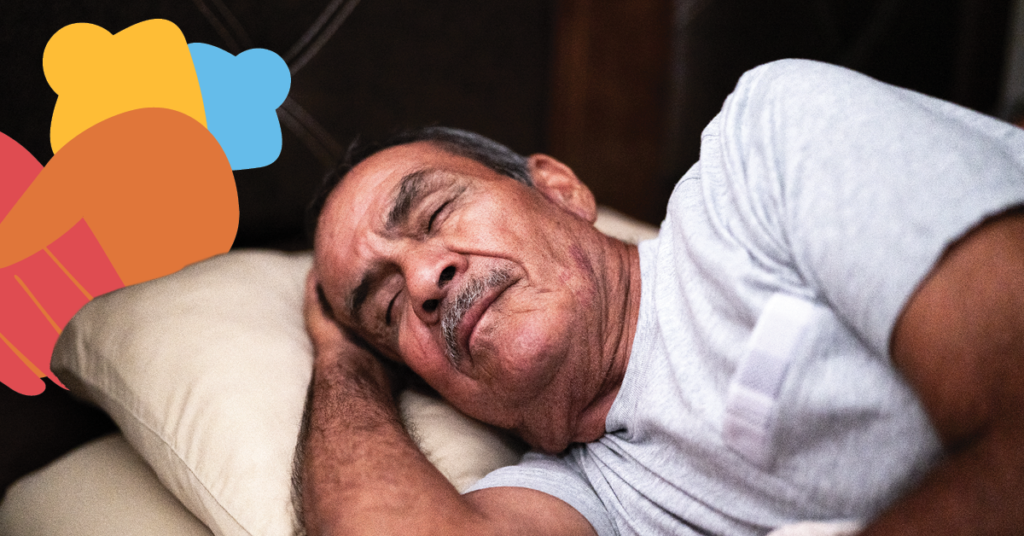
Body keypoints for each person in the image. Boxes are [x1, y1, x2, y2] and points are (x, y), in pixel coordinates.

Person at [295, 59, 1024, 535]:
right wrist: (344, 362)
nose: (424, 281)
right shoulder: (593, 498)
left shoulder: (759, 154)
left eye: (434, 212)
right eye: (388, 310)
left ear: (558, 189)